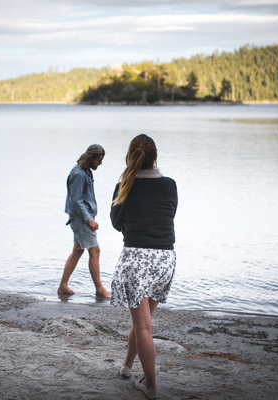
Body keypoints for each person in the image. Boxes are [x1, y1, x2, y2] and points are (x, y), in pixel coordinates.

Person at [110, 134, 178, 400]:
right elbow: (168, 215)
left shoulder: (123, 186)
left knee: (143, 326)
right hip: (165, 260)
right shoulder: (170, 185)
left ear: (130, 157)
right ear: (155, 157)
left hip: (137, 260)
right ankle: (127, 367)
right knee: (142, 323)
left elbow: (116, 223)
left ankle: (150, 385)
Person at [58, 144, 111, 298]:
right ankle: (100, 289)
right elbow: (76, 201)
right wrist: (90, 220)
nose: (100, 163)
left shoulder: (85, 171)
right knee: (95, 251)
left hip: (81, 218)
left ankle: (63, 286)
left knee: (77, 251)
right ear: (91, 158)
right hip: (81, 219)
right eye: (99, 160)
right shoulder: (79, 174)